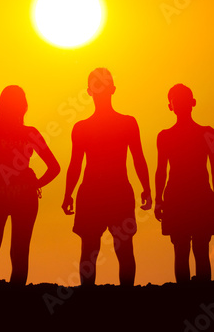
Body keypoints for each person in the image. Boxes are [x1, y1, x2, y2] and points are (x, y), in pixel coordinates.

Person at [62, 68, 152, 287]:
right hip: (100, 192)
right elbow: (75, 164)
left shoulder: (124, 123)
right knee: (98, 248)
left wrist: (147, 189)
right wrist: (68, 194)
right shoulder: (86, 127)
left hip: (113, 191)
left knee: (111, 248)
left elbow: (138, 158)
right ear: (91, 91)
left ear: (111, 89)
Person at [0, 85, 60, 286]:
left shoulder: (30, 133)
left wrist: (35, 184)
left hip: (23, 199)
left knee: (17, 249)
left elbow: (54, 167)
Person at [155, 84, 214, 283]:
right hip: (177, 197)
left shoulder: (207, 133)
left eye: (184, 100)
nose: (181, 104)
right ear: (171, 106)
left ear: (192, 103)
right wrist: (159, 200)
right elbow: (161, 170)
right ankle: (187, 293)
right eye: (177, 100)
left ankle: (200, 291)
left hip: (200, 195)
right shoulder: (165, 136)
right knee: (182, 248)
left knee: (200, 247)